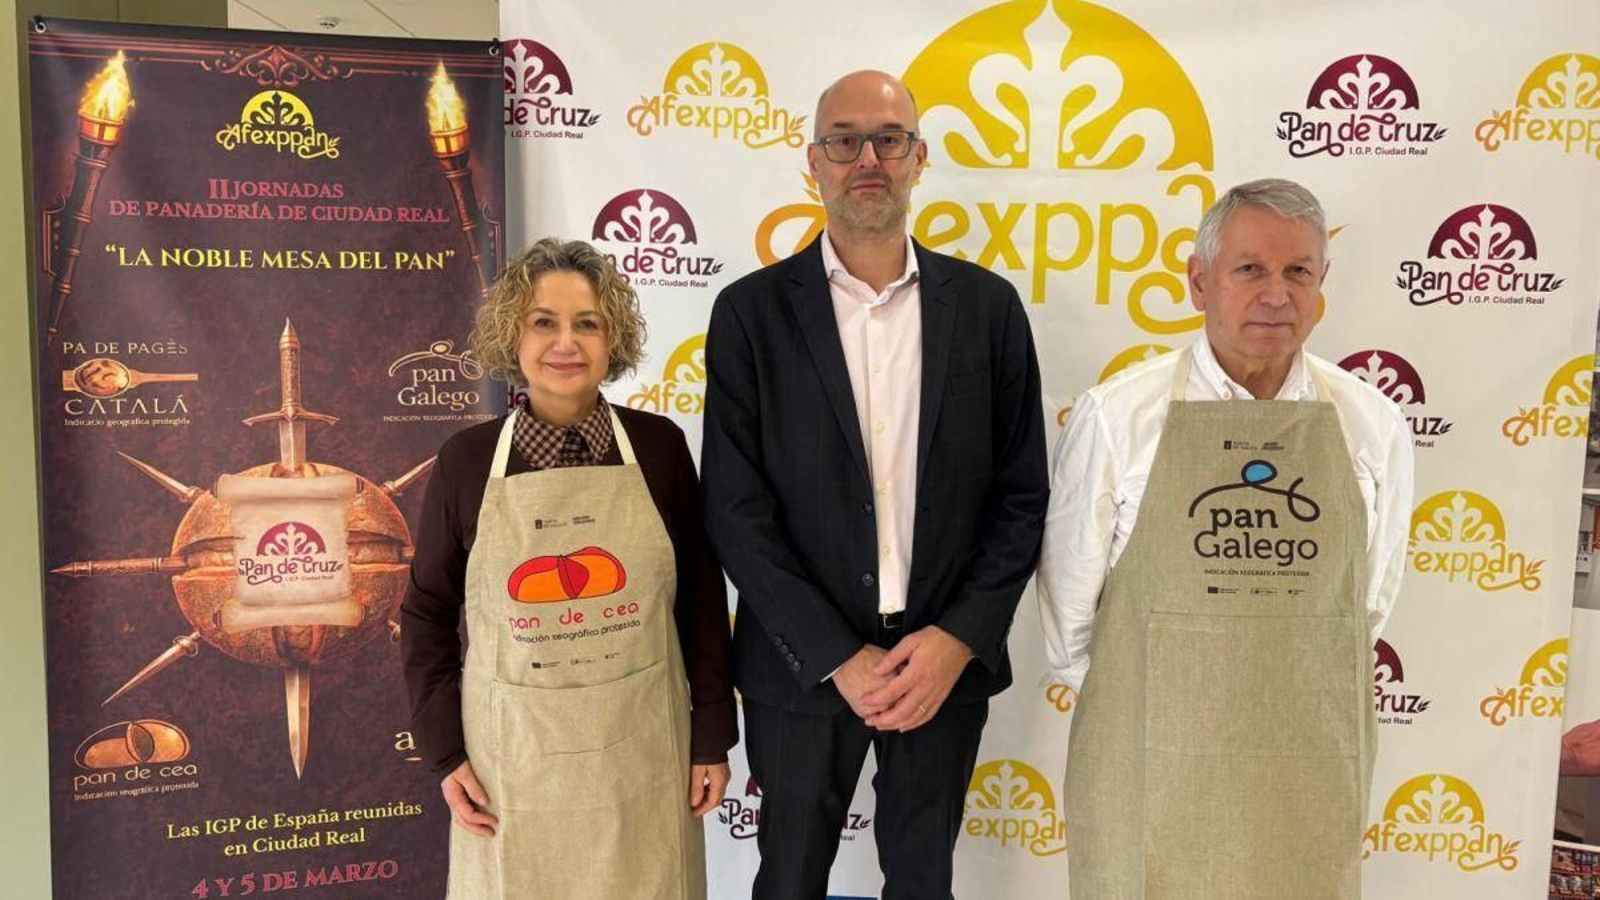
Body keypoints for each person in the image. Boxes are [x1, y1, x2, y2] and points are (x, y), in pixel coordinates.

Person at [701, 70, 1048, 899]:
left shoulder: (990, 310)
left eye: (888, 140)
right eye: (844, 140)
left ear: (918, 159)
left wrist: (958, 639)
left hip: (942, 666)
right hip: (800, 667)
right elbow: (736, 509)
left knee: (924, 881)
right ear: (813, 161)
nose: (867, 159)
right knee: (787, 878)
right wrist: (833, 655)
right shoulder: (749, 314)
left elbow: (1022, 498)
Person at [1039, 178, 1415, 898]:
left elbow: (1367, 604)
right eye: (1250, 269)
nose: (1276, 294)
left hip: (1305, 765)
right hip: (1147, 760)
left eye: (1298, 271)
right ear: (1199, 281)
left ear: (1322, 283)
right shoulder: (1119, 417)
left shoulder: (1372, 424)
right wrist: (1160, 705)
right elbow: (1069, 611)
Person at [401, 238, 735, 899]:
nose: (566, 343)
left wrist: (711, 737)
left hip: (645, 755)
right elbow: (427, 613)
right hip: (510, 770)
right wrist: (445, 753)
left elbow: (700, 600)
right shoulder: (466, 462)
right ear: (513, 336)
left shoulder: (660, 448)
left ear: (613, 340)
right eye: (543, 322)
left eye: (587, 323)